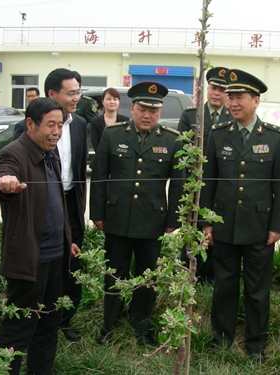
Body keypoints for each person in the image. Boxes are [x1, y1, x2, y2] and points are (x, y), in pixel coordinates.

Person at [201, 69, 280, 362]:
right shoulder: (218, 134)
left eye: (239, 97)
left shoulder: (274, 137)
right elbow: (209, 182)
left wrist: (276, 226)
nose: (232, 103)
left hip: (259, 227)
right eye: (230, 97)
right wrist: (206, 223)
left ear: (256, 100)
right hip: (224, 225)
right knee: (224, 286)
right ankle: (222, 339)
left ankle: (255, 344)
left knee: (256, 290)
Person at [0, 98, 80, 375]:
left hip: (56, 258)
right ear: (30, 124)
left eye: (60, 125)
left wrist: (68, 240)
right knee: (18, 328)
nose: (56, 132)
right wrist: (5, 184)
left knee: (49, 326)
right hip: (29, 262)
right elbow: (0, 180)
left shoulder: (50, 155)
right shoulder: (14, 154)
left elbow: (56, 204)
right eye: (50, 125)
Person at [90, 81, 184, 346]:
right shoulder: (113, 134)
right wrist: (97, 213)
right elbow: (99, 177)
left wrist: (172, 221)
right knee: (113, 273)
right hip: (117, 217)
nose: (147, 115)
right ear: (131, 108)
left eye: (153, 111)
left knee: (148, 276)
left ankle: (142, 326)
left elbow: (178, 183)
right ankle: (108, 325)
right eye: (142, 108)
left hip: (152, 221)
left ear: (160, 112)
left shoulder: (171, 138)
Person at [13, 68, 88, 342]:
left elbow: (80, 170)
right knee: (43, 264)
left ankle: (63, 319)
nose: (76, 98)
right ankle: (34, 318)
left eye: (78, 92)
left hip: (70, 203)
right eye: (71, 93)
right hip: (41, 205)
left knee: (71, 263)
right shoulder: (28, 127)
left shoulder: (79, 124)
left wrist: (80, 209)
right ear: (52, 94)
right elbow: (15, 167)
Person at [177, 66, 233, 283]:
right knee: (192, 229)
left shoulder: (232, 117)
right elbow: (182, 153)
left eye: (222, 89)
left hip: (221, 186)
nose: (217, 93)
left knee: (216, 231)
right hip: (195, 184)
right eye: (214, 87)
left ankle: (212, 275)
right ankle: (190, 273)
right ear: (207, 89)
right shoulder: (191, 115)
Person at [90, 87, 130, 152]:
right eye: (108, 99)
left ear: (119, 101)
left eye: (115, 99)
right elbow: (96, 145)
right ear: (103, 102)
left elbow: (126, 143)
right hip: (101, 158)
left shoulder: (125, 120)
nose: (112, 102)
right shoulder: (95, 122)